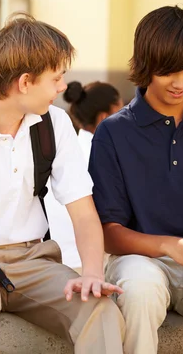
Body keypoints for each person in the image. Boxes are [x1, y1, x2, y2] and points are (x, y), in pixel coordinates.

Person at [0, 14, 125, 354]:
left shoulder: (55, 124)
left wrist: (91, 273)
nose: (63, 87)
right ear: (25, 82)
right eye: (56, 78)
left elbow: (84, 212)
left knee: (100, 309)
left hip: (35, 259)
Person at [89, 5, 183, 354]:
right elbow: (109, 234)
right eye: (169, 72)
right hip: (138, 261)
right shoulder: (112, 133)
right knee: (138, 291)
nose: (181, 83)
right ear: (146, 65)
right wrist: (170, 246)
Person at [46, 81, 123, 271]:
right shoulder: (102, 156)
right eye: (121, 113)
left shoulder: (66, 150)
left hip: (56, 260)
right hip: (86, 264)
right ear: (105, 118)